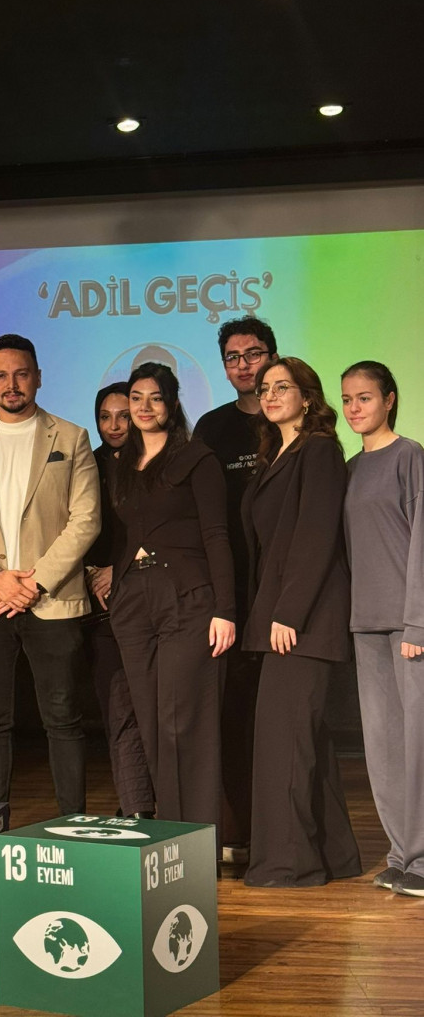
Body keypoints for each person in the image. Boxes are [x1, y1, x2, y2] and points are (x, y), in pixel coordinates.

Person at [0, 334, 99, 815]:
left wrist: (34, 582)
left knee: (64, 718)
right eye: (1, 375)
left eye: (21, 373)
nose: (12, 384)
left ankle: (74, 823)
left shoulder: (70, 438)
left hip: (51, 599)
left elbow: (86, 517)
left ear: (39, 377)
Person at [242, 357, 361, 887]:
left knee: (285, 744)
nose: (269, 395)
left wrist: (288, 612)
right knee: (305, 742)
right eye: (264, 388)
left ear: (307, 397)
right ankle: (335, 856)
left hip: (302, 621)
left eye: (281, 386)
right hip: (282, 617)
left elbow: (315, 536)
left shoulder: (319, 451)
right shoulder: (279, 454)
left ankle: (289, 864)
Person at [108, 362, 235, 834]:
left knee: (185, 723)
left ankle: (197, 838)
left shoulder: (197, 458)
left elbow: (217, 535)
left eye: (154, 398)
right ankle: (169, 834)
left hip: (187, 597)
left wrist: (226, 609)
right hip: (133, 603)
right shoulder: (124, 466)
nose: (143, 407)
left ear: (173, 403)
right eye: (136, 397)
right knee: (152, 724)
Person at [194, 316, 277, 856]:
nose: (244, 365)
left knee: (280, 718)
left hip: (286, 587)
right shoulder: (211, 427)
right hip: (230, 588)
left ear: (273, 356)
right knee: (233, 713)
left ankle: (280, 833)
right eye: (233, 357)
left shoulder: (292, 420)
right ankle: (239, 832)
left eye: (253, 354)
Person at [341, 361, 424, 898]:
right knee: (383, 746)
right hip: (364, 624)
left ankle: (422, 860)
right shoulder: (348, 467)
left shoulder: (409, 456)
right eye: (347, 399)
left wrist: (418, 619)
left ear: (389, 400)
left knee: (416, 743)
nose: (354, 408)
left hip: (406, 624)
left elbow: (422, 540)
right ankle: (402, 855)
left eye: (364, 398)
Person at [83, 383, 154, 818]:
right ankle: (136, 809)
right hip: (100, 606)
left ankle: (171, 808)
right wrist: (93, 573)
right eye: (105, 416)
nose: (114, 425)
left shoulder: (153, 462)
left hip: (149, 598)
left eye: (122, 415)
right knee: (119, 712)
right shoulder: (84, 465)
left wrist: (120, 570)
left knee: (156, 712)